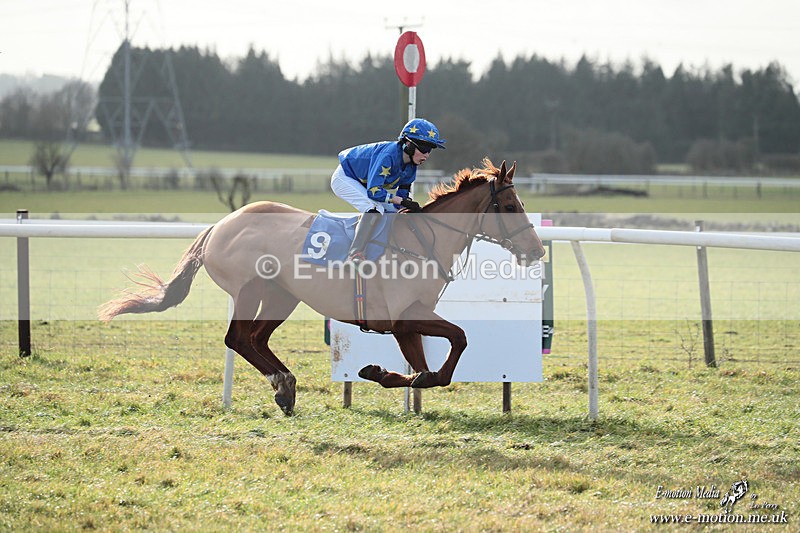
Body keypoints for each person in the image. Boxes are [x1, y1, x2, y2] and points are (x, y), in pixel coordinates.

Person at [330, 117, 446, 265]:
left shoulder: (411, 167)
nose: (426, 155)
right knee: (374, 208)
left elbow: (401, 200)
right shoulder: (388, 155)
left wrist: (408, 207)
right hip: (345, 177)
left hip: (364, 183)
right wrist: (399, 201)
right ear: (408, 145)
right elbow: (374, 192)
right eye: (423, 149)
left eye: (430, 150)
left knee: (393, 213)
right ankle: (354, 255)